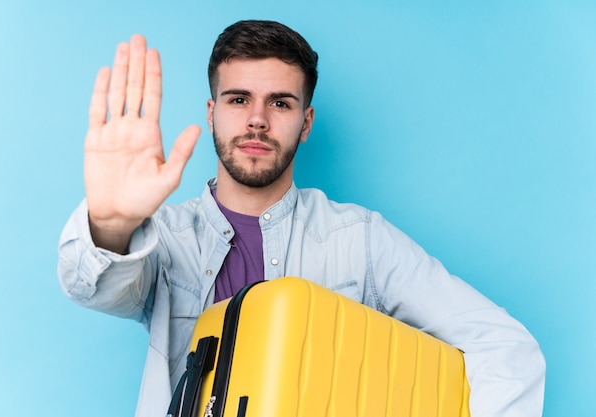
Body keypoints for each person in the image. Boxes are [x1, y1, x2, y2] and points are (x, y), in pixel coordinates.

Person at [58, 20, 545, 417]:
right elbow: (93, 285)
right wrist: (113, 222)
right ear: (212, 112)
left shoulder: (361, 240)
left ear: (306, 122)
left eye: (280, 103)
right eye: (238, 99)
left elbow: (505, 347)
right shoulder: (166, 239)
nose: (257, 120)